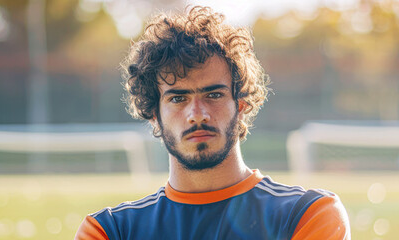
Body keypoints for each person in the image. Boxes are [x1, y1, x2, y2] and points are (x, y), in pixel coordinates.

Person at [75, 6, 350, 240]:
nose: (197, 114)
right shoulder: (110, 231)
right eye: (178, 98)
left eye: (213, 95)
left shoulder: (307, 215)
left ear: (241, 105)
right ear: (154, 116)